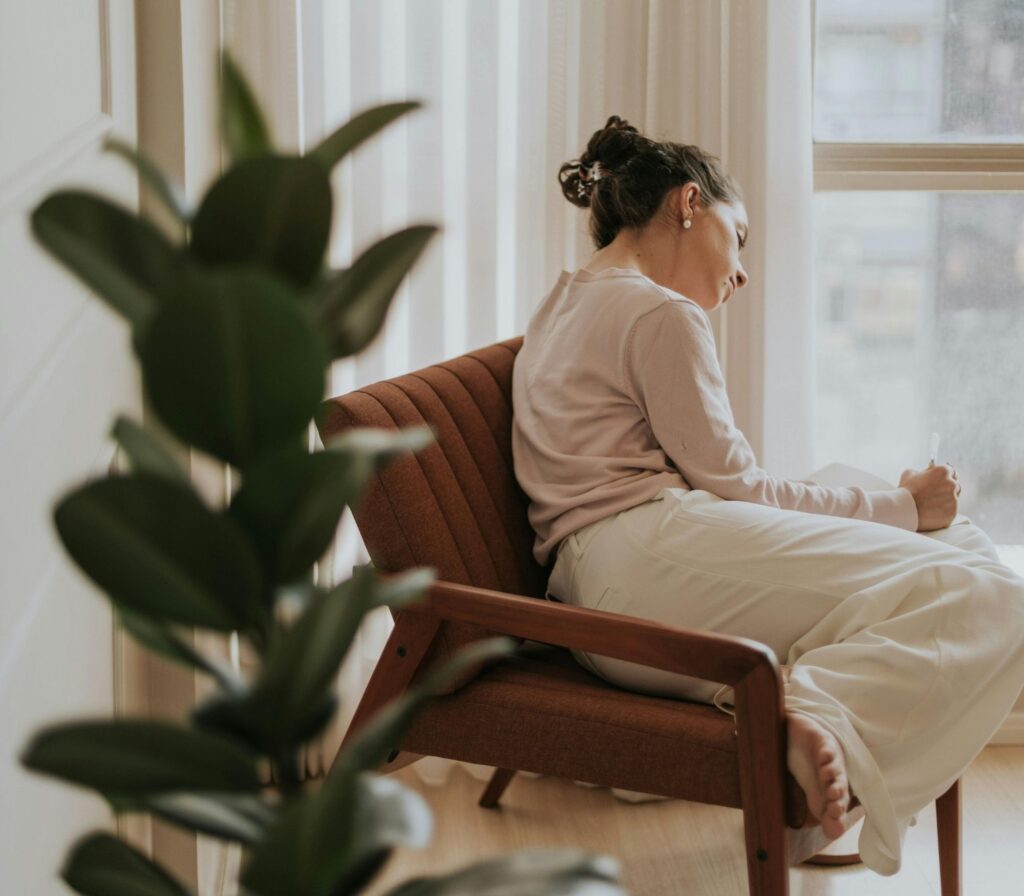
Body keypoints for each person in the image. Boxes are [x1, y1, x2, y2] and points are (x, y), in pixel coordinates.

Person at [510, 115, 1024, 876]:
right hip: (643, 566)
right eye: (738, 236)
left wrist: (903, 511)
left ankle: (811, 711)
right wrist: (907, 509)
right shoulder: (660, 311)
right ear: (690, 204)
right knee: (995, 597)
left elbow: (721, 481)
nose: (742, 272)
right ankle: (817, 716)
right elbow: (740, 485)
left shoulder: (563, 302)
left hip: (603, 584)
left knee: (904, 518)